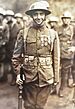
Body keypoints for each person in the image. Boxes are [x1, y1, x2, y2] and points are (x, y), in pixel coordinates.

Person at [12, 1, 60, 109]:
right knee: (29, 105)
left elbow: (56, 58)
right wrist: (18, 74)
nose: (38, 17)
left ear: (45, 15)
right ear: (32, 16)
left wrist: (56, 78)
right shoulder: (23, 33)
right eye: (35, 14)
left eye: (41, 14)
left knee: (40, 106)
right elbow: (16, 57)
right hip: (29, 76)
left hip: (46, 77)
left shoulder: (53, 34)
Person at [58, 11, 75, 95]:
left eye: (67, 19)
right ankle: (54, 89)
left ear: (70, 20)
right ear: (62, 19)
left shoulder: (73, 28)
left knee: (64, 73)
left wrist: (74, 47)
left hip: (67, 53)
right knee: (55, 71)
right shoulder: (58, 28)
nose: (65, 20)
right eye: (64, 18)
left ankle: (62, 89)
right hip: (58, 52)